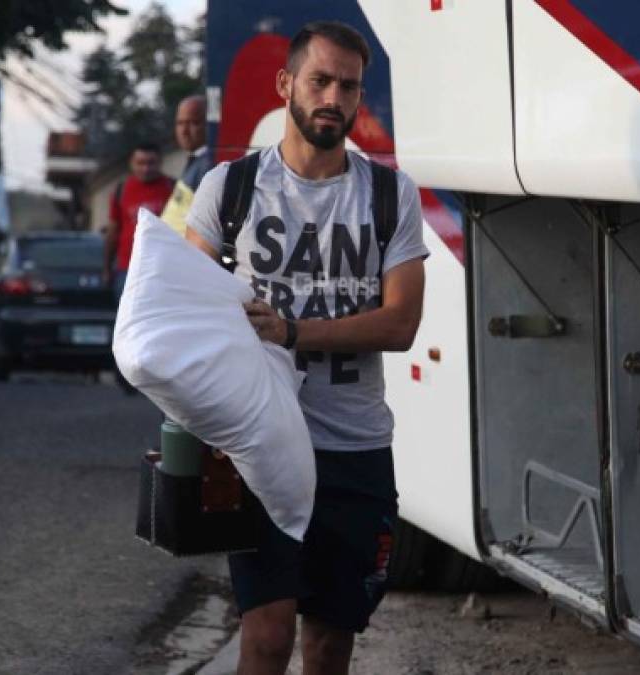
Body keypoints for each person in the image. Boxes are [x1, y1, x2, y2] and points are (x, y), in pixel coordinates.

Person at [184, 20, 428, 675]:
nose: (333, 97)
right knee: (265, 637)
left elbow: (401, 322)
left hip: (355, 450)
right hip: (260, 448)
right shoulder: (229, 190)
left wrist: (292, 332)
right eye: (319, 80)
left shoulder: (387, 194)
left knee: (328, 643)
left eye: (348, 86)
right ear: (286, 83)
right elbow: (182, 313)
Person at [102, 142, 174, 299]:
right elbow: (113, 232)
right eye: (140, 163)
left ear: (160, 162)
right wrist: (107, 267)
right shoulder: (121, 190)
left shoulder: (173, 188)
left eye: (151, 163)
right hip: (127, 269)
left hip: (162, 269)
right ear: (131, 163)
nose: (146, 169)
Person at [161, 95, 213, 235]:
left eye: (193, 123)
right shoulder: (196, 160)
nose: (184, 131)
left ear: (210, 124)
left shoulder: (209, 164)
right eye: (180, 123)